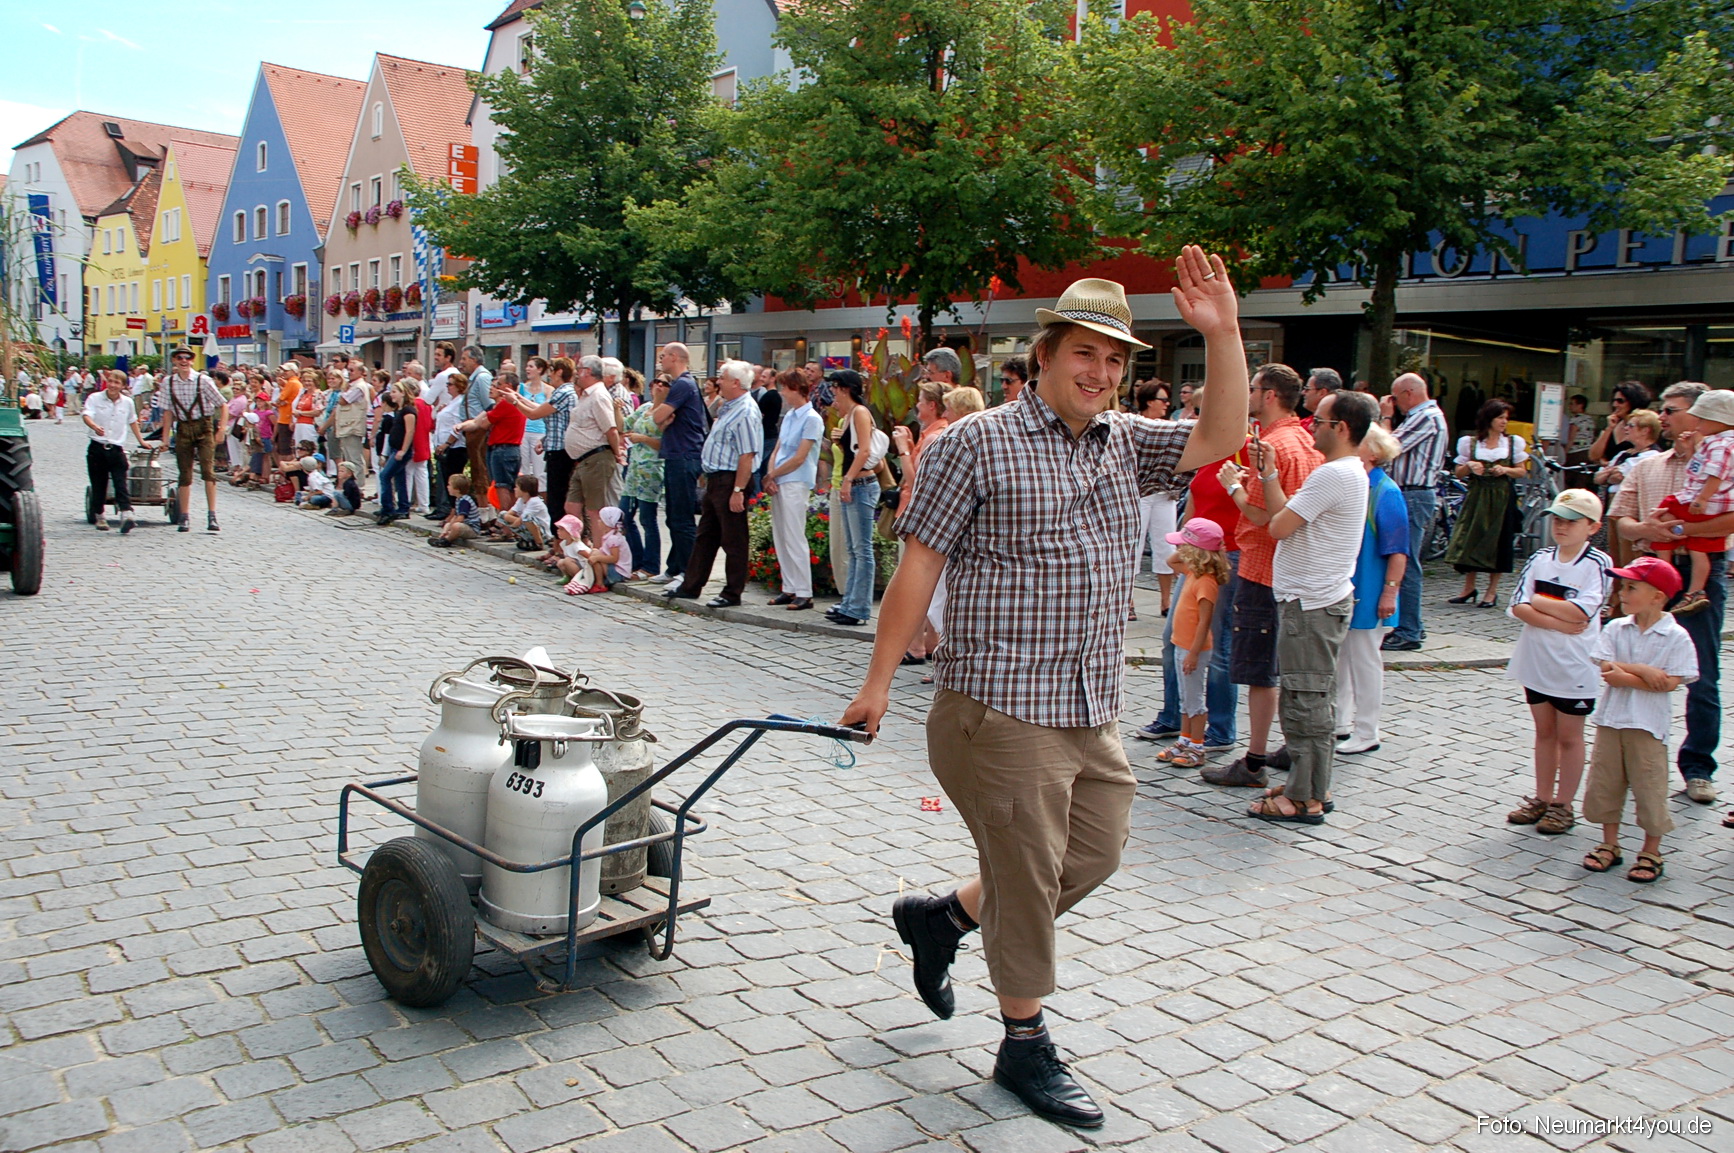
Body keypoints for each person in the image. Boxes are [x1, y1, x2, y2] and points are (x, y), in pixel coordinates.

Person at [841, 257, 1248, 1129]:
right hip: (996, 702)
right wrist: (877, 683)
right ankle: (1023, 1039)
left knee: (1092, 852)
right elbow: (918, 566)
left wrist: (1222, 332)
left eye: (1114, 360)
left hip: (1086, 705)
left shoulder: (1125, 442)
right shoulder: (973, 441)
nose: (1100, 373)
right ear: (1047, 352)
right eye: (1084, 354)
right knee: (1027, 878)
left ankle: (943, 916)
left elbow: (1219, 436)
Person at [1224, 389, 1376, 822]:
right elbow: (1285, 517)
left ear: (1341, 428)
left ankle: (1306, 795)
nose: (1311, 426)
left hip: (1312, 604)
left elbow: (1278, 525)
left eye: (1320, 422)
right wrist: (1269, 475)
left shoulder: (1335, 475)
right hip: (1313, 600)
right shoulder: (1344, 471)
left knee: (1305, 702)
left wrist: (1246, 484)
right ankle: (1308, 785)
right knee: (1309, 696)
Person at [1203, 363, 1323, 789]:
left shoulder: (1272, 445)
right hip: (1293, 569)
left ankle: (1253, 761)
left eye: (1253, 388)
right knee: (1283, 666)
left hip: (1261, 566)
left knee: (1259, 670)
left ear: (1269, 395)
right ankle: (1287, 746)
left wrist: (1232, 485)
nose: (1248, 394)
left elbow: (1261, 513)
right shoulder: (1304, 440)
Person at [1611, 382, 1723, 805]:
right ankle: (1627, 757)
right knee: (1630, 666)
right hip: (1650, 570)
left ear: (1697, 417)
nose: (1664, 418)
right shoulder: (1647, 465)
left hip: (1699, 573)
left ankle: (1697, 768)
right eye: (1662, 410)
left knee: (1703, 675)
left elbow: (1727, 523)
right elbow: (1620, 520)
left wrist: (1683, 530)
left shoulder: (1722, 466)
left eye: (1672, 411)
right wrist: (1647, 530)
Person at [1580, 556, 1698, 883]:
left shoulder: (1676, 637)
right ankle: (1609, 842)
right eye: (1621, 586)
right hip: (1612, 720)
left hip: (1648, 724)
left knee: (1649, 786)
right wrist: (1644, 671)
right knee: (1606, 782)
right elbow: (1606, 668)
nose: (1622, 593)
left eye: (1632, 587)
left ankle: (1651, 850)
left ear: (1658, 597)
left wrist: (1627, 674)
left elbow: (1672, 681)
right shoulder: (1617, 627)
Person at [1504, 489, 1612, 837]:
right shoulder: (1540, 558)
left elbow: (1583, 610)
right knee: (1544, 732)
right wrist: (1557, 620)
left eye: (1571, 521)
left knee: (1570, 736)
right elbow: (1519, 605)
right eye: (1558, 520)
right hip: (1537, 659)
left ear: (1592, 526)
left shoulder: (1598, 563)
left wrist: (1541, 606)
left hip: (1575, 664)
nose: (1561, 527)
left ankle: (1563, 804)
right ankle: (1541, 796)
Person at [665, 360, 763, 608]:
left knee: (734, 539)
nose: (718, 381)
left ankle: (732, 592)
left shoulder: (746, 411)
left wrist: (738, 490)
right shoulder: (729, 407)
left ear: (736, 383)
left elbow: (747, 454)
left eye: (722, 377)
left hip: (731, 480)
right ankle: (691, 585)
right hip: (716, 479)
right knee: (706, 535)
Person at [1336, 425, 1409, 754]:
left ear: (1374, 453)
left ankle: (1367, 729)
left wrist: (1389, 592)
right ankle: (1340, 721)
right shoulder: (1358, 484)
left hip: (1371, 588)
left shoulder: (1386, 491)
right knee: (1343, 658)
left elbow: (1398, 550)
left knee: (1365, 660)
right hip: (1351, 587)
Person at [1378, 372, 1449, 651]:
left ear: (1408, 393)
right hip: (1410, 493)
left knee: (1404, 562)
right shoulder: (1424, 417)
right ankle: (1405, 625)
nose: (1394, 403)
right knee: (1402, 560)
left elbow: (1385, 448)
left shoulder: (1426, 416)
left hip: (1414, 494)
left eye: (1395, 397)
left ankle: (1409, 629)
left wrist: (1385, 417)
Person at [1151, 519, 1229, 769]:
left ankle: (1197, 745)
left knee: (1194, 700)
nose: (1180, 551)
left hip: (1193, 649)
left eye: (1185, 546)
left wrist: (1193, 653)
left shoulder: (1206, 582)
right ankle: (1184, 739)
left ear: (1196, 552)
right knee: (1185, 698)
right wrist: (1187, 542)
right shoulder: (1193, 571)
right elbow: (1170, 561)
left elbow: (1205, 623)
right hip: (1181, 644)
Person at [1653, 389, 1734, 616]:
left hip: (1706, 504)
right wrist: (1691, 451)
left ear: (1718, 420)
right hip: (1710, 506)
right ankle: (1694, 591)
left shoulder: (1720, 444)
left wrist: (1702, 499)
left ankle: (1665, 574)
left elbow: (1714, 474)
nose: (1697, 423)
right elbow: (1701, 471)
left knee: (1665, 514)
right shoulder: (1715, 443)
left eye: (1701, 418)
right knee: (1698, 547)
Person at [1443, 398, 1528, 607]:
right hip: (1477, 496)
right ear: (1489, 418)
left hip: (1501, 497)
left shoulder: (1512, 443)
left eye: (1506, 418)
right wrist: (1470, 466)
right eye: (1500, 417)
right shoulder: (1470, 443)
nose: (1504, 422)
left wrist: (1505, 470)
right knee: (1471, 538)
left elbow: (1521, 470)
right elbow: (1458, 472)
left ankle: (1492, 591)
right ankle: (1469, 587)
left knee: (1498, 541)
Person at [763, 368, 825, 611]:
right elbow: (778, 449)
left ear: (796, 389)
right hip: (780, 478)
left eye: (785, 388)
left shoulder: (812, 418)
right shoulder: (789, 416)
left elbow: (800, 457)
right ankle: (789, 586)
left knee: (794, 534)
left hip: (796, 479)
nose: (782, 393)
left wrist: (773, 474)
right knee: (781, 533)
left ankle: (804, 591)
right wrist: (771, 473)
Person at [825, 370, 880, 626]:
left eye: (835, 386)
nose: (832, 391)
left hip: (861, 484)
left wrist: (847, 479)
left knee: (861, 549)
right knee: (853, 548)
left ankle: (858, 607)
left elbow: (865, 450)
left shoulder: (859, 412)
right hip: (855, 484)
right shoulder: (848, 416)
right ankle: (850, 603)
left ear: (845, 388)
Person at [160, 346, 226, 533]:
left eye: (187, 358)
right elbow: (167, 412)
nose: (183, 361)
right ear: (174, 360)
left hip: (204, 427)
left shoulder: (202, 380)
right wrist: (165, 439)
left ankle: (212, 515)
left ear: (191, 360)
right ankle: (184, 516)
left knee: (208, 470)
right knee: (185, 473)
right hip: (183, 427)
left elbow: (222, 404)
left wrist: (221, 429)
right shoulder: (168, 382)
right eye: (180, 358)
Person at [565, 356, 627, 542]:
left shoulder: (599, 395)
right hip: (583, 459)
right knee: (572, 506)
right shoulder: (586, 395)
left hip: (596, 458)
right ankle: (578, 548)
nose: (576, 372)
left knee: (595, 510)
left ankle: (599, 555)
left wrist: (617, 453)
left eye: (579, 368)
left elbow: (611, 429)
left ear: (588, 372)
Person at [1131, 381, 1179, 617]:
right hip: (1139, 492)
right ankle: (1127, 599)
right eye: (1163, 400)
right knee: (1133, 545)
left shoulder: (1171, 428)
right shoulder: (1134, 426)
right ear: (1149, 401)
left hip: (1164, 492)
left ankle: (1165, 600)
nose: (1167, 404)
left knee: (1166, 544)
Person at [82, 370, 144, 533]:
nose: (112, 385)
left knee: (120, 482)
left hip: (116, 448)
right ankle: (100, 515)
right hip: (97, 446)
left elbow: (133, 421)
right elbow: (87, 415)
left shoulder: (127, 402)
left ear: (123, 386)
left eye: (117, 383)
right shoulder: (94, 398)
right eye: (110, 381)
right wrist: (94, 426)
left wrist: (141, 441)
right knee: (99, 483)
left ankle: (126, 514)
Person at [457, 373, 527, 513]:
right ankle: (507, 522)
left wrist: (471, 424)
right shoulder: (513, 403)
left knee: (502, 487)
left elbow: (483, 424)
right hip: (509, 449)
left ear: (507, 387)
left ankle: (507, 525)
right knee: (508, 486)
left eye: (497, 385)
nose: (492, 388)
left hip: (503, 449)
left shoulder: (505, 404)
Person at [618, 376, 665, 579]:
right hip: (635, 468)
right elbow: (623, 426)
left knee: (647, 518)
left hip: (652, 469)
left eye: (664, 383)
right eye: (656, 381)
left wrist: (643, 438)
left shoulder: (667, 412)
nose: (658, 386)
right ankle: (635, 560)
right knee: (624, 514)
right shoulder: (644, 407)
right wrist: (616, 409)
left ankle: (651, 565)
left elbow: (666, 443)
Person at [428, 374, 469, 519]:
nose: (447, 387)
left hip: (455, 447)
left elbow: (458, 426)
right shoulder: (452, 402)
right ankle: (447, 509)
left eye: (450, 384)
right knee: (445, 479)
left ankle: (453, 511)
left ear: (459, 386)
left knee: (452, 479)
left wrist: (447, 443)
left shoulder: (460, 403)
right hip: (443, 445)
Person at [374, 383, 416, 525]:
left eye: (394, 392)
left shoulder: (408, 411)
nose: (392, 394)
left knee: (385, 475)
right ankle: (403, 507)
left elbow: (410, 431)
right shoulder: (399, 410)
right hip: (394, 448)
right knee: (400, 478)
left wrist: (403, 450)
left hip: (400, 450)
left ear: (403, 393)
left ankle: (388, 508)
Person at [1589, 381, 1652, 465]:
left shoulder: (1645, 426)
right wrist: (1609, 429)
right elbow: (1593, 456)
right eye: (1614, 401)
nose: (1615, 404)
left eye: (1620, 401)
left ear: (1633, 402)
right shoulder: (1612, 424)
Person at [457, 345, 495, 485]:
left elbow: (489, 405)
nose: (461, 362)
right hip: (473, 430)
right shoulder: (474, 378)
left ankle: (486, 504)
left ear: (474, 360)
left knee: (480, 470)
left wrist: (480, 425)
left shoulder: (482, 378)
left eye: (464, 359)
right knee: (476, 470)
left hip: (480, 430)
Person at [332, 363, 372, 483]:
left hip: (353, 426)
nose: (349, 373)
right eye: (349, 370)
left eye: (352, 370)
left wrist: (344, 390)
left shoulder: (358, 386)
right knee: (349, 458)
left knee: (354, 458)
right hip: (347, 426)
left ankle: (359, 485)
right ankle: (350, 483)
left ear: (360, 372)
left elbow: (343, 400)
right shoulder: (351, 385)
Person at [518, 357, 551, 486]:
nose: (527, 369)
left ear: (540, 369)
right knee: (523, 468)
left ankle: (541, 497)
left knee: (539, 470)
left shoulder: (548, 390)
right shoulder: (522, 388)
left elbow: (548, 409)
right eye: (527, 366)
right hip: (523, 431)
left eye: (531, 366)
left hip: (539, 432)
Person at [428, 473, 482, 547]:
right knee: (448, 524)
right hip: (464, 525)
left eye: (449, 485)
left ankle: (447, 541)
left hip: (472, 528)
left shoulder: (464, 501)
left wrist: (451, 528)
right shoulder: (458, 499)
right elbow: (455, 516)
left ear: (457, 489)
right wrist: (448, 528)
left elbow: (460, 518)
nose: (447, 487)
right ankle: (442, 537)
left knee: (456, 526)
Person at [501, 475, 551, 550]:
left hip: (542, 532)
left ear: (524, 490)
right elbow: (508, 514)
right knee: (502, 514)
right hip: (526, 525)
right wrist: (515, 521)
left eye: (517, 487)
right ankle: (527, 539)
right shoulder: (521, 500)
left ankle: (539, 542)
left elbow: (523, 518)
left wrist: (515, 524)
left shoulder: (535, 501)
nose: (514, 489)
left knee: (526, 517)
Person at [1565, 393, 1597, 464]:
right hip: (1588, 451)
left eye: (1572, 404)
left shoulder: (1575, 419)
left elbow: (1571, 438)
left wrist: (1565, 452)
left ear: (1580, 405)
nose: (1569, 406)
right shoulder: (1590, 419)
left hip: (1575, 452)